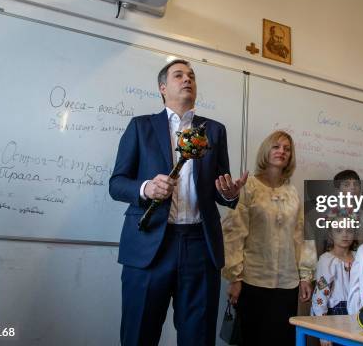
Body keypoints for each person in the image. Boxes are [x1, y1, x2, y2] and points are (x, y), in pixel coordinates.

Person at [109, 59, 248, 346]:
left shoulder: (214, 131)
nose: (187, 79)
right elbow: (117, 183)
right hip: (149, 247)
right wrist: (147, 188)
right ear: (163, 88)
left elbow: (219, 188)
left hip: (200, 246)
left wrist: (230, 195)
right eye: (179, 75)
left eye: (192, 76)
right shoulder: (140, 127)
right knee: (139, 335)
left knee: (198, 337)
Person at [222, 130, 315, 345]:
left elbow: (302, 234)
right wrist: (235, 278)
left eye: (287, 149)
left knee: (282, 339)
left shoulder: (293, 192)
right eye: (276, 146)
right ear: (266, 150)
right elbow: (234, 234)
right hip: (253, 280)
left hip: (287, 285)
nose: (282, 151)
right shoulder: (248, 187)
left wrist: (305, 276)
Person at [311, 217, 356, 346]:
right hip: (335, 314)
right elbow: (320, 296)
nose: (345, 234)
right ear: (331, 234)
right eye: (339, 230)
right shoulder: (326, 261)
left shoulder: (359, 257)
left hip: (357, 312)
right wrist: (323, 333)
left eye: (349, 230)